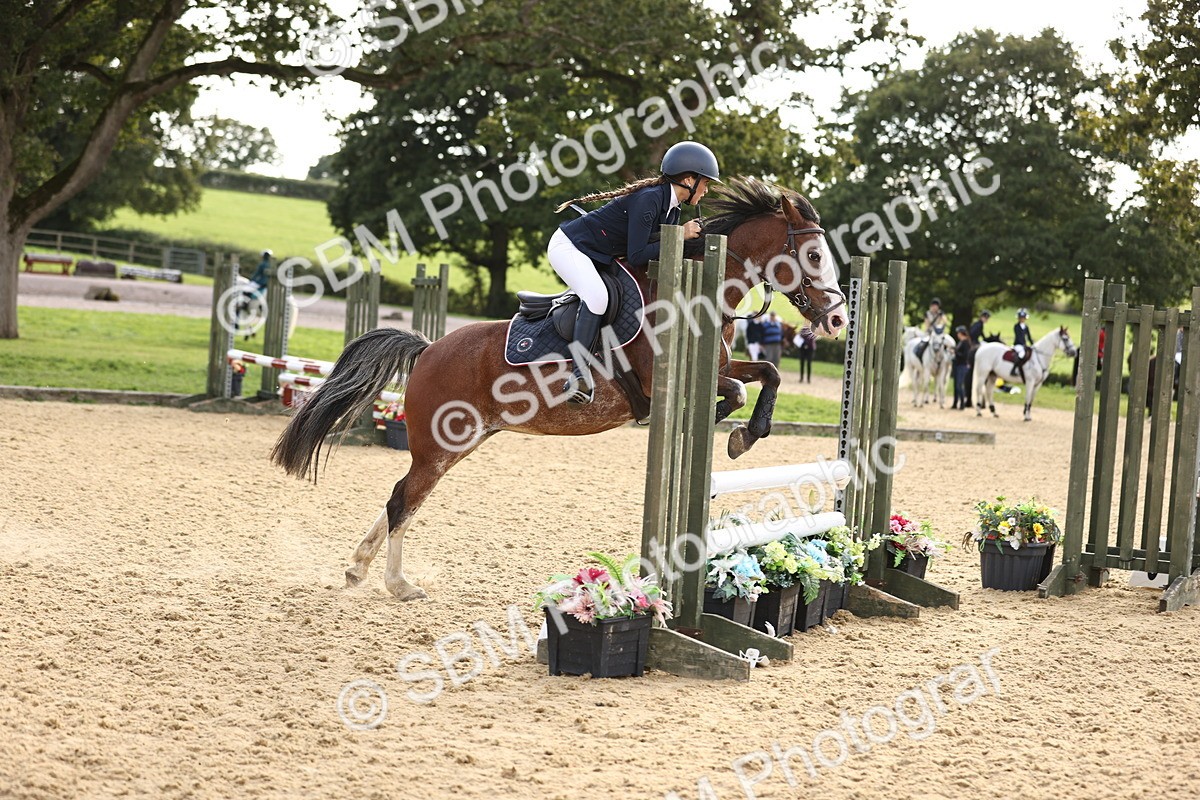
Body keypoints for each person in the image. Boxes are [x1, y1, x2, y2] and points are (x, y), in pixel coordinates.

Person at [551, 141, 719, 403]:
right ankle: (578, 376)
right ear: (688, 179)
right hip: (571, 248)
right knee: (597, 297)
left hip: (599, 253)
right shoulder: (650, 199)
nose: (707, 190)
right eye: (705, 183)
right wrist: (681, 236)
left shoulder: (671, 209)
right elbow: (638, 255)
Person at [952, 325, 972, 409]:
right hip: (957, 365)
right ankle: (956, 403)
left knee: (959, 385)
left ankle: (962, 403)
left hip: (962, 365)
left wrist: (955, 352)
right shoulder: (961, 342)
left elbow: (964, 356)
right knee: (956, 385)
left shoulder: (965, 343)